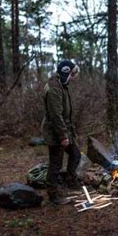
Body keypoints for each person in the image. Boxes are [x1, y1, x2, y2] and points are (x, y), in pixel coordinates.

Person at [41, 60, 82, 205]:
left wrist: (69, 133)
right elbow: (55, 115)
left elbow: (65, 114)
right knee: (55, 164)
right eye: (72, 74)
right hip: (55, 132)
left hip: (64, 130)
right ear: (65, 72)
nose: (73, 77)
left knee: (76, 154)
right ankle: (54, 196)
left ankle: (71, 181)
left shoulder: (62, 86)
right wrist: (63, 136)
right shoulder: (54, 88)